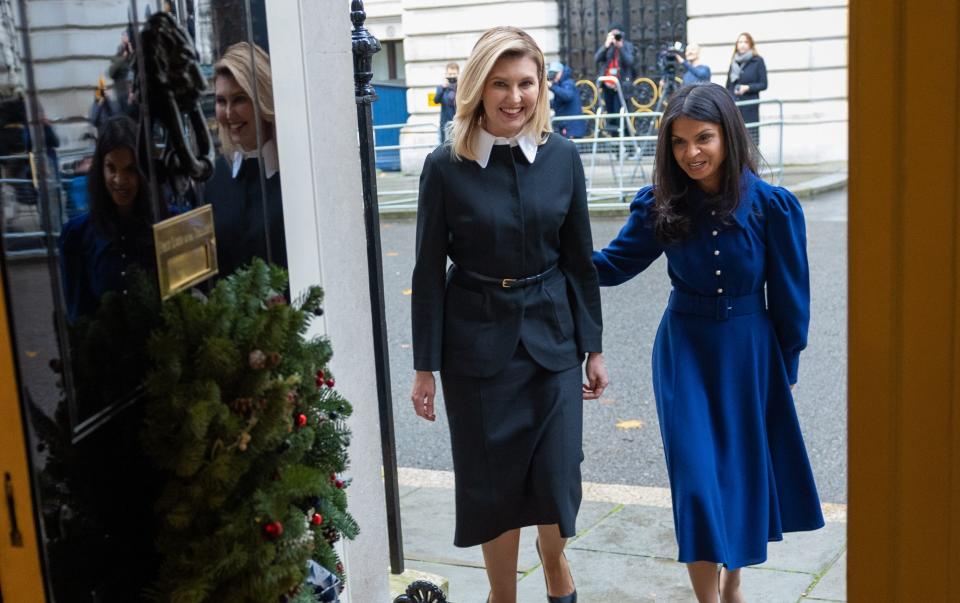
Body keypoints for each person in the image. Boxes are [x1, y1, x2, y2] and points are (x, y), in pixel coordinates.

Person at [592, 82, 823, 603]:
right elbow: (610, 266)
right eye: (678, 143)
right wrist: (549, 256)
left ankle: (734, 581)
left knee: (741, 480)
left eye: (703, 138)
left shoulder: (772, 207)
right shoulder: (661, 205)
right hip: (685, 355)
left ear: (728, 136)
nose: (691, 153)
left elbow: (791, 303)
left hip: (751, 356)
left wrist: (781, 373)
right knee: (696, 483)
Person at [410, 26, 607, 603]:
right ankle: (503, 596)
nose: (514, 97)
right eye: (501, 83)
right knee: (492, 487)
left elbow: (580, 261)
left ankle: (554, 566)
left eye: (526, 83)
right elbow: (426, 273)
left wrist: (593, 346)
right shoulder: (445, 167)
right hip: (476, 349)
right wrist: (425, 368)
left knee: (554, 475)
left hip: (553, 341)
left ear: (542, 87)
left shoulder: (563, 157)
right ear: (478, 88)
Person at [59, 115, 154, 323]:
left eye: (130, 169)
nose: (120, 180)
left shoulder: (169, 223)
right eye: (111, 168)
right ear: (100, 169)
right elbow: (80, 322)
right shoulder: (76, 236)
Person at [207, 41, 286, 278]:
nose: (229, 113)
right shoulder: (216, 177)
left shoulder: (294, 173)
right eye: (221, 101)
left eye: (240, 99)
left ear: (262, 99)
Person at [725, 32, 767, 145]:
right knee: (736, 139)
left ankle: (752, 162)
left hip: (750, 107)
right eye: (740, 42)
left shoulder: (757, 61)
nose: (742, 44)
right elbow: (728, 85)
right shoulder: (733, 62)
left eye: (745, 42)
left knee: (751, 139)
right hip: (735, 106)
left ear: (750, 45)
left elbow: (764, 84)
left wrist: (747, 88)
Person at [594, 24, 634, 133]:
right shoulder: (608, 47)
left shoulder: (627, 46)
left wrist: (620, 47)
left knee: (621, 115)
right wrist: (606, 45)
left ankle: (626, 143)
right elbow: (597, 59)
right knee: (611, 114)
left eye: (617, 34)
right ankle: (614, 143)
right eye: (613, 34)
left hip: (621, 86)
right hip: (607, 86)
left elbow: (629, 62)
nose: (615, 37)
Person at [548, 61, 586, 139]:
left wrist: (552, 86)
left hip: (572, 128)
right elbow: (558, 103)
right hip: (566, 126)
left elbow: (567, 96)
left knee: (572, 150)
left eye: (555, 73)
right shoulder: (559, 84)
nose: (553, 76)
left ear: (561, 72)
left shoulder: (568, 83)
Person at [434, 62, 459, 143]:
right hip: (445, 123)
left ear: (458, 74)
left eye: (454, 74)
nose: (452, 76)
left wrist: (460, 84)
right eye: (450, 74)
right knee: (444, 147)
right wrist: (443, 88)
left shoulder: (461, 87)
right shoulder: (441, 88)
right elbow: (436, 100)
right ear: (446, 74)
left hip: (459, 123)